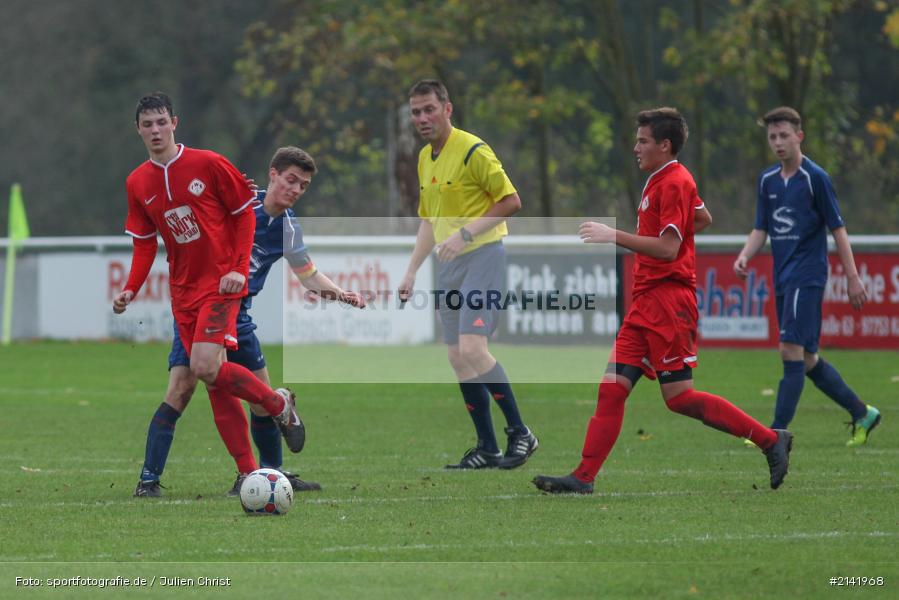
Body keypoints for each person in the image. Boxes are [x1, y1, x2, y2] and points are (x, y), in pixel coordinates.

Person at [533, 108, 793, 494]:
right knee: (612, 388)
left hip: (669, 303)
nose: (635, 147)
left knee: (679, 398)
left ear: (664, 145)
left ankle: (771, 440)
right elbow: (702, 218)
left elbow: (669, 249)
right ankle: (583, 478)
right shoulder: (663, 179)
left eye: (642, 141)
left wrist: (613, 235)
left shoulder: (673, 182)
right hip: (645, 304)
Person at [133, 146, 365, 497]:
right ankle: (150, 480)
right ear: (272, 175)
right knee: (182, 389)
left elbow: (309, 276)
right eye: (290, 180)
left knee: (255, 400)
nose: (295, 190)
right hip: (204, 304)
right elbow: (199, 210)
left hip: (238, 313)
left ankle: (271, 475)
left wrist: (341, 294)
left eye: (303, 186)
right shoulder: (241, 204)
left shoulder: (287, 227)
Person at [114, 92, 307, 495]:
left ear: (174, 123)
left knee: (204, 366)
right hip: (182, 293)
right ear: (138, 130)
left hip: (220, 286)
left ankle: (275, 406)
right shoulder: (137, 182)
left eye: (161, 122)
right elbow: (146, 243)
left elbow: (243, 217)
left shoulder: (208, 162)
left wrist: (237, 270)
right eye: (147, 124)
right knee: (212, 381)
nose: (155, 130)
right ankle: (248, 473)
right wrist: (130, 289)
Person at [398, 79, 538, 470]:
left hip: (483, 256)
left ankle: (520, 433)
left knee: (474, 348)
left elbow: (511, 200)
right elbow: (429, 220)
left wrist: (464, 233)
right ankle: (488, 448)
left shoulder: (473, 149)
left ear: (447, 108)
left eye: (429, 109)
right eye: (415, 111)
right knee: (458, 357)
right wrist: (411, 270)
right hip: (450, 266)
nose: (422, 118)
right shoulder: (425, 157)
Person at [733, 106, 880, 447]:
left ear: (799, 136)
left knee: (789, 349)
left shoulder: (816, 178)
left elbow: (838, 229)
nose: (778, 142)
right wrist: (744, 255)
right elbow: (761, 228)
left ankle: (774, 433)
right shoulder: (767, 180)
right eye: (772, 137)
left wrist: (853, 277)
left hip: (808, 276)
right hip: (783, 277)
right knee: (808, 359)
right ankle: (862, 412)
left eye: (784, 135)